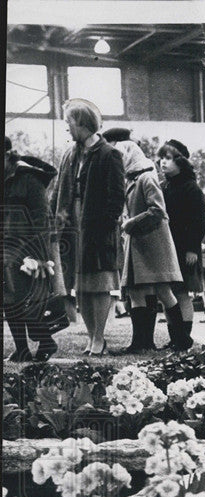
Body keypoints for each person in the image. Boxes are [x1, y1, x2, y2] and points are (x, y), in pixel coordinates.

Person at [51, 98, 125, 356]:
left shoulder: (109, 153)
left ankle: (99, 337)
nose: (66, 127)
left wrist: (105, 227)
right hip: (72, 225)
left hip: (97, 227)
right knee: (80, 285)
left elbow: (117, 197)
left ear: (81, 123)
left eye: (68, 122)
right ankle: (92, 336)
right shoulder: (70, 154)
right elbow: (59, 190)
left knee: (100, 282)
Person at [111, 139, 184, 354]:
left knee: (163, 290)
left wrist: (130, 223)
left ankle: (181, 339)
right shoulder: (133, 179)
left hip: (153, 243)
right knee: (136, 291)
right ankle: (141, 342)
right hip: (140, 243)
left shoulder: (146, 177)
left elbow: (158, 210)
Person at [4, 135, 60, 362]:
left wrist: (38, 256)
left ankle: (47, 342)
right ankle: (22, 349)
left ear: (7, 155)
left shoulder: (30, 180)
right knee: (9, 300)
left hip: (28, 249)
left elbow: (42, 221)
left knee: (27, 300)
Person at [158, 139, 205, 350]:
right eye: (161, 158)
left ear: (181, 161)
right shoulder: (164, 187)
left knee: (182, 292)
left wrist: (192, 248)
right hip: (167, 247)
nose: (163, 162)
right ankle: (175, 336)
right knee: (168, 292)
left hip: (184, 249)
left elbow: (199, 221)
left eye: (168, 158)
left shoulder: (191, 188)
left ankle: (184, 336)